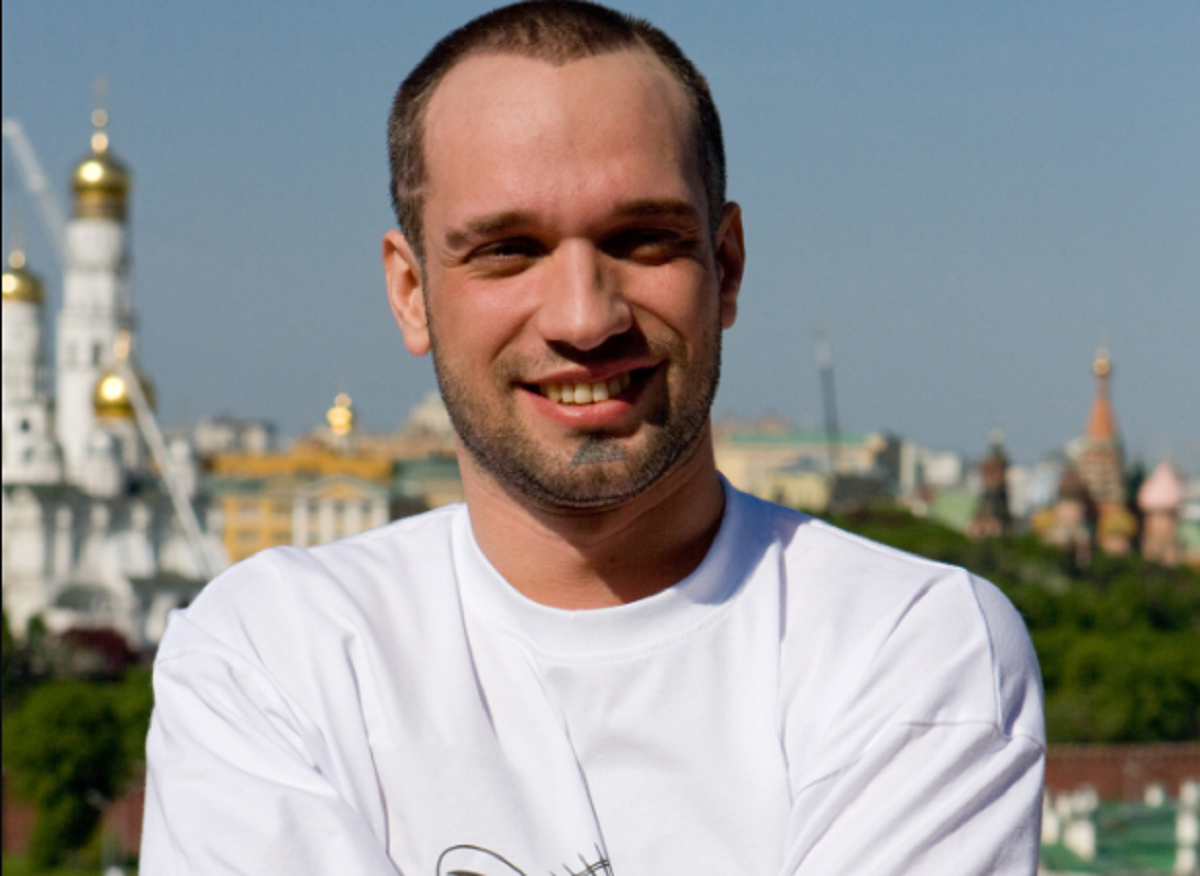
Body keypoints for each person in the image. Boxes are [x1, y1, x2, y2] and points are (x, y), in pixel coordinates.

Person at [141, 2, 1045, 873]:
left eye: (642, 240)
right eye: (509, 250)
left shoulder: (909, 646)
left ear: (726, 266)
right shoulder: (273, 654)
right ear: (412, 293)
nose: (583, 317)